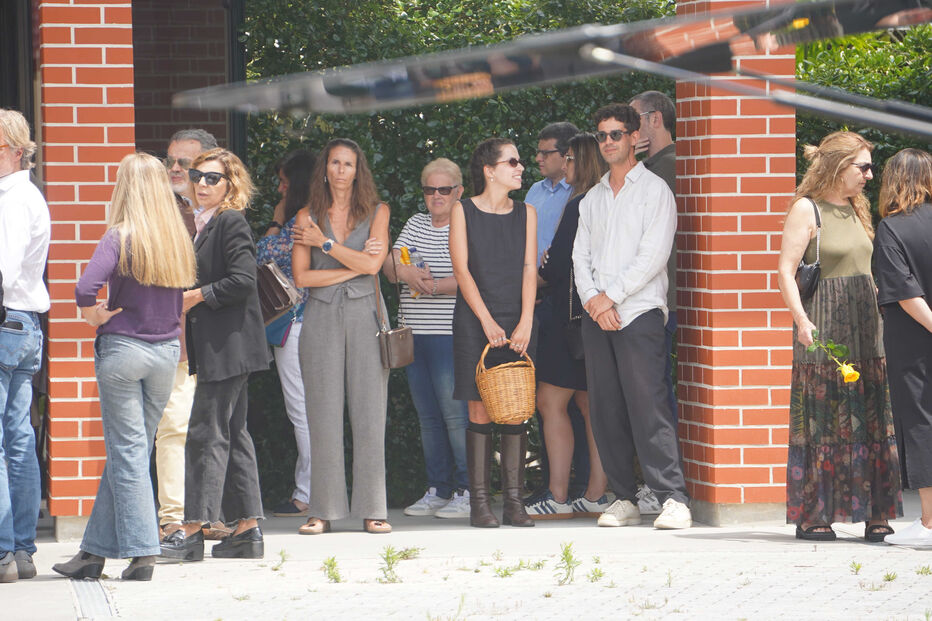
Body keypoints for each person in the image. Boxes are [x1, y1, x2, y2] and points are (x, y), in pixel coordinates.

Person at [52, 153, 196, 581]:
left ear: (124, 188)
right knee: (130, 453)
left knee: (128, 453)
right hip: (165, 353)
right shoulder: (177, 237)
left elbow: (83, 287)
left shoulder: (120, 235)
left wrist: (90, 313)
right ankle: (92, 554)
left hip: (123, 351)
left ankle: (142, 553)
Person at [776, 131, 902, 541]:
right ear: (836, 165)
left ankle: (875, 513)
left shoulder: (857, 208)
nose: (869, 175)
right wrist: (801, 320)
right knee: (824, 419)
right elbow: (785, 271)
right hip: (825, 326)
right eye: (862, 166)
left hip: (867, 328)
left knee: (869, 416)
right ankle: (815, 514)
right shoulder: (806, 209)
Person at [573, 103, 692, 530]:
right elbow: (578, 256)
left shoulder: (655, 190)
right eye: (602, 136)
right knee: (605, 409)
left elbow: (653, 255)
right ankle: (624, 497)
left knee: (648, 405)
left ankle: (673, 498)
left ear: (634, 136)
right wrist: (594, 300)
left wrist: (610, 298)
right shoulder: (592, 198)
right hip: (597, 315)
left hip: (638, 313)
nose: (607, 142)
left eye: (615, 134)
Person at [160, 148, 269, 561]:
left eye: (213, 178)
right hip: (226, 346)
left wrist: (196, 296)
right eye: (197, 175)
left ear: (231, 186)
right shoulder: (205, 224)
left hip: (230, 346)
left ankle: (190, 531)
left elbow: (243, 280)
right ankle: (247, 528)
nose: (202, 183)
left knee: (205, 433)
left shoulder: (230, 221)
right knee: (235, 434)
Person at [291, 138, 392, 535]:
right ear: (325, 168)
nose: (340, 170)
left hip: (367, 314)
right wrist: (357, 266)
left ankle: (373, 508)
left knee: (370, 412)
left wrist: (326, 245)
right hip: (321, 314)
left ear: (357, 169)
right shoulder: (306, 216)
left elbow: (376, 264)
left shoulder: (377, 212)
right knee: (323, 412)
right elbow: (303, 277)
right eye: (334, 162)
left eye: (348, 164)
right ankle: (323, 510)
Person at [450, 137, 538, 528]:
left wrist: (526, 320)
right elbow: (462, 270)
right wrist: (486, 320)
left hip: (517, 317)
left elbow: (529, 269)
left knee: (516, 409)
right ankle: (480, 504)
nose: (521, 168)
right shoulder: (462, 210)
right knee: (480, 408)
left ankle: (514, 503)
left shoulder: (528, 212)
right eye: (512, 162)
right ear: (489, 170)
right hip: (475, 318)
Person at [526, 133, 610, 520]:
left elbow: (556, 265)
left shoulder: (579, 205)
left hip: (568, 317)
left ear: (581, 162)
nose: (567, 165)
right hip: (598, 318)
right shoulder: (608, 201)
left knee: (550, 402)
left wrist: (538, 268)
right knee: (590, 405)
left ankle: (558, 496)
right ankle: (596, 492)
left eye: (572, 159)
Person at [382, 158, 470, 519]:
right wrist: (405, 270)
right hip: (414, 335)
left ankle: (467, 490)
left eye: (444, 189)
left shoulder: (466, 224)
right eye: (430, 189)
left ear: (458, 192)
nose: (436, 196)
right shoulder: (415, 224)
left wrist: (430, 285)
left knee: (455, 415)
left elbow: (472, 277)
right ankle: (437, 489)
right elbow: (389, 268)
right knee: (428, 417)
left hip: (451, 334)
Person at [155, 128, 218, 541]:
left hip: (217, 341)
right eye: (171, 161)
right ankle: (173, 520)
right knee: (175, 425)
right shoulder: (159, 211)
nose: (175, 169)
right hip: (174, 336)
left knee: (215, 428)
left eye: (185, 163)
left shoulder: (224, 216)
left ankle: (208, 515)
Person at [872, 149, 932, 547]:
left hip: (914, 344)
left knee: (921, 423)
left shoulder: (891, 229)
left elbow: (906, 293)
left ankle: (929, 523)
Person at [0, 109, 49, 583]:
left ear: (15, 150)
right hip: (23, 324)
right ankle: (21, 550)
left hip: (5, 320)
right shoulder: (27, 195)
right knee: (18, 441)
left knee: (9, 443)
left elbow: (4, 269)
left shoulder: (11, 200)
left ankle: (3, 554)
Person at [258, 149, 315, 518]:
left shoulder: (298, 222)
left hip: (295, 325)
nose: (279, 189)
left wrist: (276, 222)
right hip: (320, 324)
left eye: (283, 182)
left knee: (303, 412)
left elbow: (261, 256)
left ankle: (307, 494)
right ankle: (312, 490)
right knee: (316, 411)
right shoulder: (325, 217)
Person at [629, 90, 677, 516]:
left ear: (653, 120)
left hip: (663, 299)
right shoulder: (649, 168)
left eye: (632, 121)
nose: (626, 131)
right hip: (660, 299)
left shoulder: (668, 168)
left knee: (656, 396)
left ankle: (663, 488)